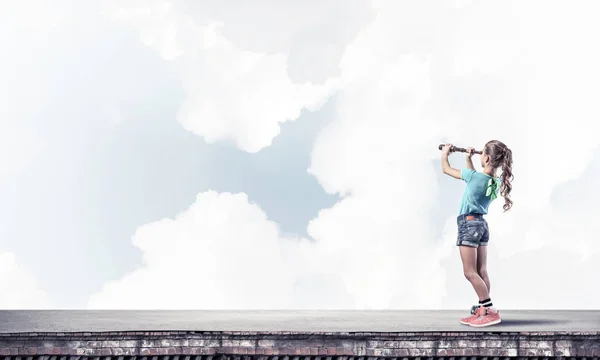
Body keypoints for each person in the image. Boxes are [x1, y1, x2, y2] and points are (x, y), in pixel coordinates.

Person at [441, 140, 514, 327]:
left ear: (487, 158)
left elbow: (446, 169)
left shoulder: (473, 177)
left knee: (469, 272)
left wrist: (446, 154)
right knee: (481, 271)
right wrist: (468, 158)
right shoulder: (495, 182)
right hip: (481, 225)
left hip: (468, 224)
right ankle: (483, 310)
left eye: (482, 155)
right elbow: (473, 177)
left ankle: (489, 311)